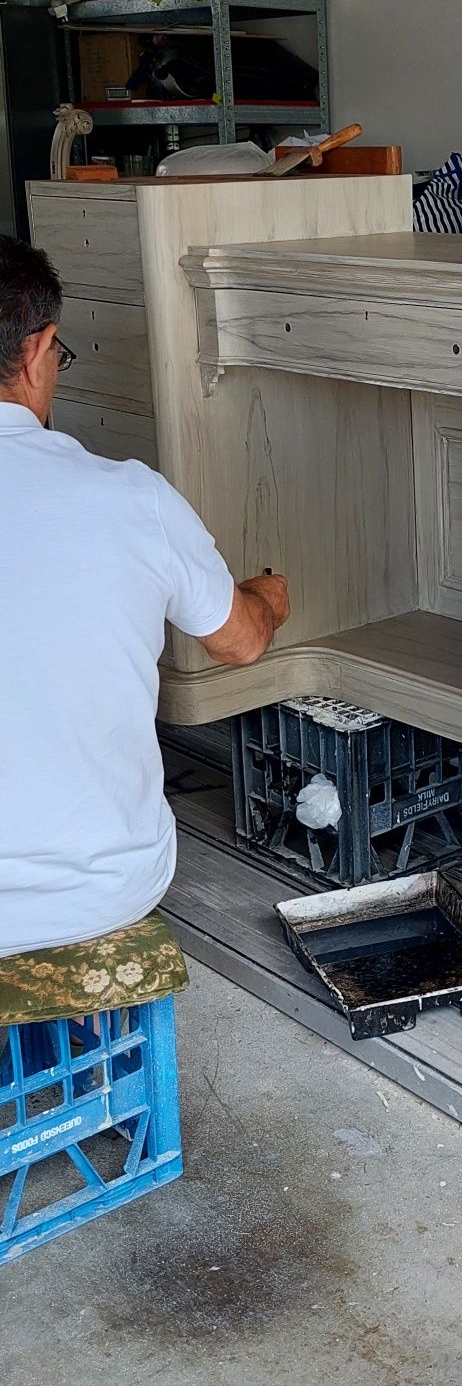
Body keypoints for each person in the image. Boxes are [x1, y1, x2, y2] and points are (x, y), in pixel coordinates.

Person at [0, 241, 290, 966]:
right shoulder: (131, 499)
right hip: (98, 889)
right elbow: (240, 641)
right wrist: (266, 598)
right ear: (37, 351)